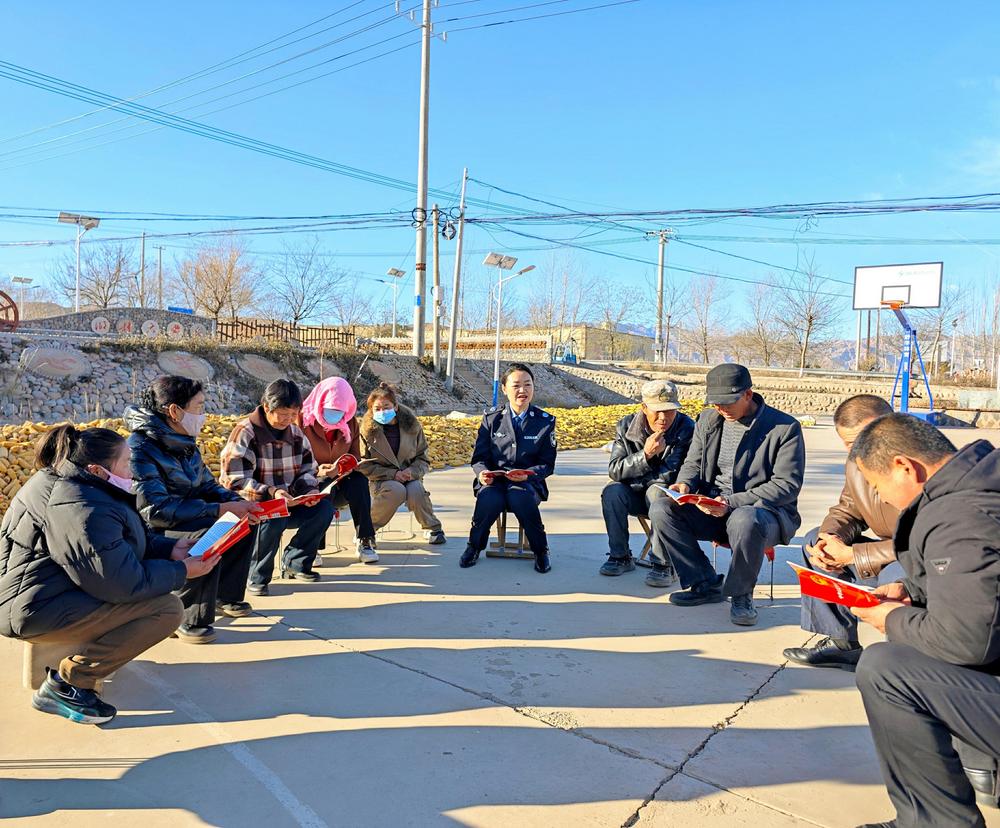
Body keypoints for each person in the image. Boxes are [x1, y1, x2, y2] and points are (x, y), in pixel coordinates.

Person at [0, 425, 216, 725]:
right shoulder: (80, 505)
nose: (133, 470)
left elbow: (116, 543)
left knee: (156, 596)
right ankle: (70, 684)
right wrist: (182, 571)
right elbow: (122, 584)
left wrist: (170, 549)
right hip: (33, 610)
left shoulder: (71, 483)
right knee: (166, 609)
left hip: (40, 595)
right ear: (97, 470)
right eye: (126, 463)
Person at [849, 414, 999, 828]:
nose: (880, 497)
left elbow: (967, 641)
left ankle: (934, 821)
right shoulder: (982, 484)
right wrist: (912, 593)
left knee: (886, 668)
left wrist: (891, 618)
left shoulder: (961, 515)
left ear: (904, 466)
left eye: (876, 486)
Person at [650, 363, 805, 626]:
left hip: (762, 514)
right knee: (661, 509)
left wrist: (731, 503)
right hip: (712, 506)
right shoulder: (708, 420)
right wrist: (684, 484)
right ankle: (704, 583)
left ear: (748, 394)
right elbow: (693, 462)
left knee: (744, 519)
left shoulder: (783, 427)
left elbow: (786, 485)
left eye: (727, 402)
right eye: (715, 403)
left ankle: (741, 595)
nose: (721, 408)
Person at [126, 375, 261, 644]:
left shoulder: (184, 443)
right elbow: (154, 510)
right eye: (198, 407)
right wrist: (217, 510)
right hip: (154, 531)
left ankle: (225, 596)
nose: (203, 415)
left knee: (242, 522)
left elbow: (207, 485)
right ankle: (185, 614)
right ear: (175, 411)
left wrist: (238, 504)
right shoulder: (140, 449)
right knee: (207, 535)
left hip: (187, 516)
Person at [782, 394, 899, 670]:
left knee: (897, 572)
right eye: (849, 443)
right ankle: (841, 644)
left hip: (919, 561)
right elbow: (848, 510)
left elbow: (924, 543)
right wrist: (830, 539)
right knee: (814, 541)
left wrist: (854, 555)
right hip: (885, 552)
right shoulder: (857, 463)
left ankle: (902, 660)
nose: (857, 449)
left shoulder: (917, 466)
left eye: (865, 438)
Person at [221, 380, 334, 596]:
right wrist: (271, 492)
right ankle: (256, 575)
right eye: (283, 414)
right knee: (275, 516)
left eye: (293, 414)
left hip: (289, 502)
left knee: (323, 509)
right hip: (254, 507)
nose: (288, 419)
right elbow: (233, 481)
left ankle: (296, 562)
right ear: (267, 407)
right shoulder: (245, 432)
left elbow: (308, 469)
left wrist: (309, 490)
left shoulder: (296, 434)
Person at [460, 363, 557, 574]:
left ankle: (541, 551)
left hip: (527, 483)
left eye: (527, 385)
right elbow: (479, 458)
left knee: (520, 498)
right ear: (504, 389)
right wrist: (482, 474)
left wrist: (529, 474)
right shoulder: (491, 419)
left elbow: (547, 464)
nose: (522, 390)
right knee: (488, 498)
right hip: (494, 481)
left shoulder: (545, 421)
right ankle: (474, 547)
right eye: (516, 385)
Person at [600, 379, 695, 578]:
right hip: (635, 495)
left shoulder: (686, 428)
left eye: (669, 410)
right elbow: (615, 470)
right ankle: (620, 556)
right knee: (612, 491)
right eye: (657, 410)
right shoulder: (626, 426)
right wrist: (645, 455)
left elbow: (670, 475)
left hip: (667, 501)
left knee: (657, 491)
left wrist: (633, 479)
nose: (663, 417)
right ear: (644, 407)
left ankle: (663, 564)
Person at [299, 376, 378, 563]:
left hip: (342, 478)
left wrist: (346, 466)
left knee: (360, 483)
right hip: (311, 480)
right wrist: (318, 470)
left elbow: (355, 455)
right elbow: (295, 458)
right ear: (320, 402)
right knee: (323, 485)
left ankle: (365, 539)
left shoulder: (350, 423)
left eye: (339, 411)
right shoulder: (304, 421)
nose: (334, 415)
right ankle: (314, 545)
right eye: (330, 409)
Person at [358, 383, 446, 544]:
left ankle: (432, 527)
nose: (382, 411)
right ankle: (366, 531)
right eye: (377, 409)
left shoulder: (412, 426)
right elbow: (363, 464)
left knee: (416, 490)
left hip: (409, 476)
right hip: (381, 479)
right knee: (396, 490)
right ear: (371, 410)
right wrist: (393, 474)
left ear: (395, 406)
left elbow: (423, 458)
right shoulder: (366, 432)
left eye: (386, 407)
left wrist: (412, 472)